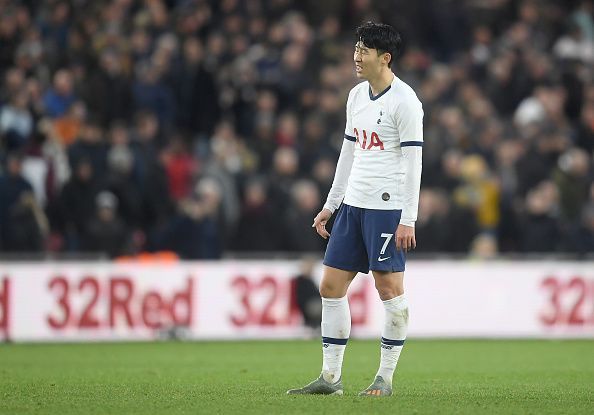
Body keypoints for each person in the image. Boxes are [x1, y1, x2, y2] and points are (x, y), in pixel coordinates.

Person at [287, 22, 423, 397]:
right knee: (330, 286)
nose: (356, 57)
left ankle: (385, 378)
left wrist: (408, 218)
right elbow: (349, 153)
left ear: (385, 57)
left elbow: (414, 164)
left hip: (386, 208)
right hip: (352, 205)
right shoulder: (356, 96)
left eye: (364, 51)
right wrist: (331, 204)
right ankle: (330, 379)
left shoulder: (406, 102)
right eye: (356, 49)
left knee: (389, 290)